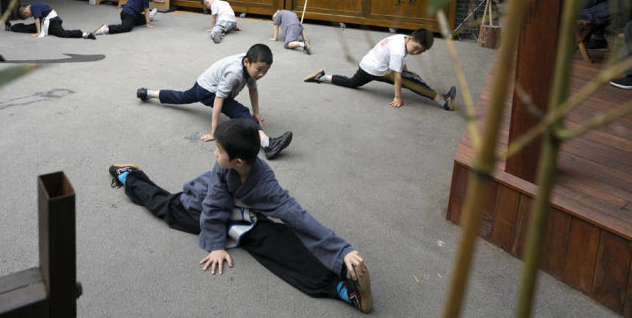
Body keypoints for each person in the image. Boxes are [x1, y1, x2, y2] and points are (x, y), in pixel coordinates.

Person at [107, 119, 373, 313]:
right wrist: (216, 246)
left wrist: (343, 250)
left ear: (239, 161)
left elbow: (298, 217)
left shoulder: (266, 185)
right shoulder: (222, 169)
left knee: (280, 240)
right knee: (165, 207)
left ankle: (343, 285)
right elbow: (212, 207)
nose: (215, 152)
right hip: (199, 204)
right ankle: (131, 176)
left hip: (244, 217)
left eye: (219, 150)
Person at [135, 44, 293, 159]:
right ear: (247, 62)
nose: (261, 74)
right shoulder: (235, 73)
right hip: (208, 90)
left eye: (266, 71)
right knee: (241, 112)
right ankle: (267, 143)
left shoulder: (250, 64)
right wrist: (213, 132)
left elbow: (253, 88)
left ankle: (147, 93)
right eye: (259, 69)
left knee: (182, 97)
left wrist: (257, 113)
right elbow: (219, 100)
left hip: (205, 83)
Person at [304, 29, 456, 110]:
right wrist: (398, 97)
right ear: (410, 39)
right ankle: (443, 101)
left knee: (352, 82)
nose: (416, 52)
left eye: (420, 51)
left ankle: (322, 77)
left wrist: (406, 70)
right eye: (416, 48)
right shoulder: (398, 50)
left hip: (366, 65)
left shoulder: (402, 38)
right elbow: (397, 76)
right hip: (379, 70)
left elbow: (401, 60)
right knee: (413, 81)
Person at [93, 0, 161, 36]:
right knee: (127, 27)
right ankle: (106, 29)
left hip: (130, 14)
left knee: (142, 19)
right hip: (129, 14)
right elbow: (146, 10)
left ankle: (150, 17)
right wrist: (148, 24)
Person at [14, 1, 96, 39]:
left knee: (62, 33)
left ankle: (84, 34)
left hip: (53, 21)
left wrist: (38, 32)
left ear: (25, 12)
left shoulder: (33, 6)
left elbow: (37, 19)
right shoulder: (34, 5)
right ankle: (11, 27)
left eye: (28, 16)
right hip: (46, 21)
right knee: (30, 28)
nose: (30, 16)